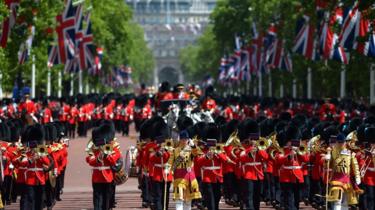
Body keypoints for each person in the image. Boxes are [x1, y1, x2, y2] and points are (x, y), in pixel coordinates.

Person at [86, 123, 121, 210]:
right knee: (97, 199)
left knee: (106, 199)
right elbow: (89, 160)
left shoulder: (113, 148)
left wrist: (106, 155)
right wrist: (97, 159)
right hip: (97, 176)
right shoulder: (94, 149)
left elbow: (114, 160)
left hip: (108, 176)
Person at [324, 133, 361, 209]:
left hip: (347, 179)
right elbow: (327, 166)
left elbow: (355, 166)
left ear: (345, 142)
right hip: (336, 178)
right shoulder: (332, 152)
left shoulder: (350, 153)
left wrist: (357, 176)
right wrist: (326, 160)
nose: (341, 144)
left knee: (345, 202)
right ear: (337, 142)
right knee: (337, 200)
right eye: (339, 142)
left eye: (342, 142)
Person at [172, 130, 202, 210]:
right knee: (179, 199)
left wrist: (193, 146)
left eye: (186, 139)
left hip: (190, 178)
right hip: (179, 178)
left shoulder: (191, 150)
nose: (184, 141)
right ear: (180, 139)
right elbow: (170, 162)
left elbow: (197, 153)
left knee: (188, 200)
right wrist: (167, 168)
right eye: (183, 139)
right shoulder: (175, 150)